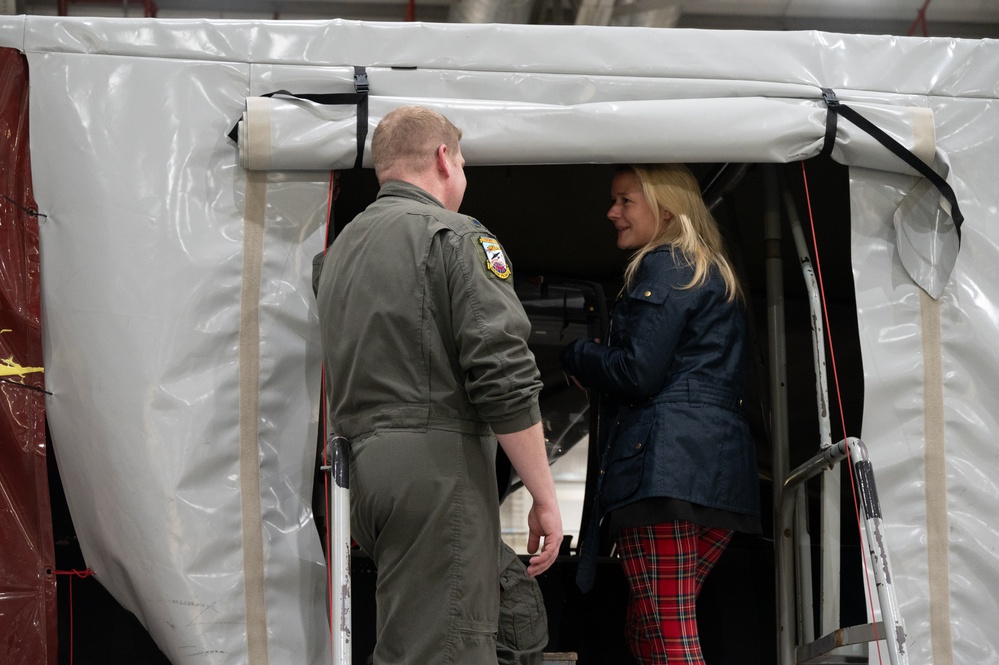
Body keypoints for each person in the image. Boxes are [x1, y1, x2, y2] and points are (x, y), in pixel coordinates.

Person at [313, 105, 563, 665]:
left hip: (364, 478)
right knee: (447, 648)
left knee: (414, 641)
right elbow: (502, 372)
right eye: (465, 163)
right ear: (443, 159)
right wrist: (544, 495)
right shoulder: (452, 236)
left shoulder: (340, 252)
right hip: (436, 468)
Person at [560, 164, 761, 665]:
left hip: (664, 471)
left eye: (625, 200)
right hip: (718, 474)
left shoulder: (666, 265)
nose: (612, 212)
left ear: (665, 206)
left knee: (667, 630)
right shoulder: (713, 270)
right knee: (650, 620)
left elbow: (636, 371)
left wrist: (579, 355)